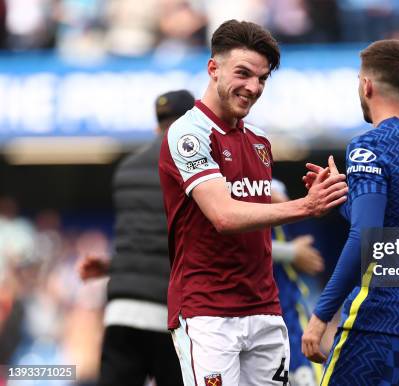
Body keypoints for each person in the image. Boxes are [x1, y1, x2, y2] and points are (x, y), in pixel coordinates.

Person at [157, 20, 348, 386]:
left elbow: (255, 207)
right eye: (243, 73)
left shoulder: (259, 139)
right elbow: (225, 216)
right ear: (213, 68)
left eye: (262, 79)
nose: (253, 88)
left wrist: (314, 192)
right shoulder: (188, 133)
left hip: (265, 310)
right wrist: (306, 207)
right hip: (208, 314)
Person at [301, 39, 399, 385]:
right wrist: (344, 196)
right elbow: (394, 223)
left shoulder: (370, 145)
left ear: (366, 85)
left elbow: (366, 237)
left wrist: (322, 314)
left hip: (379, 324)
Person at [78, 90, 195, 386]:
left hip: (121, 310)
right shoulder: (195, 168)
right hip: (168, 315)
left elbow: (142, 237)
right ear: (192, 122)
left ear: (157, 125)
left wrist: (111, 266)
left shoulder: (126, 169)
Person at [270, 179, 324, 386]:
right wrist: (292, 253)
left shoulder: (265, 184)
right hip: (257, 315)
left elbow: (278, 194)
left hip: (286, 309)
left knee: (304, 375)